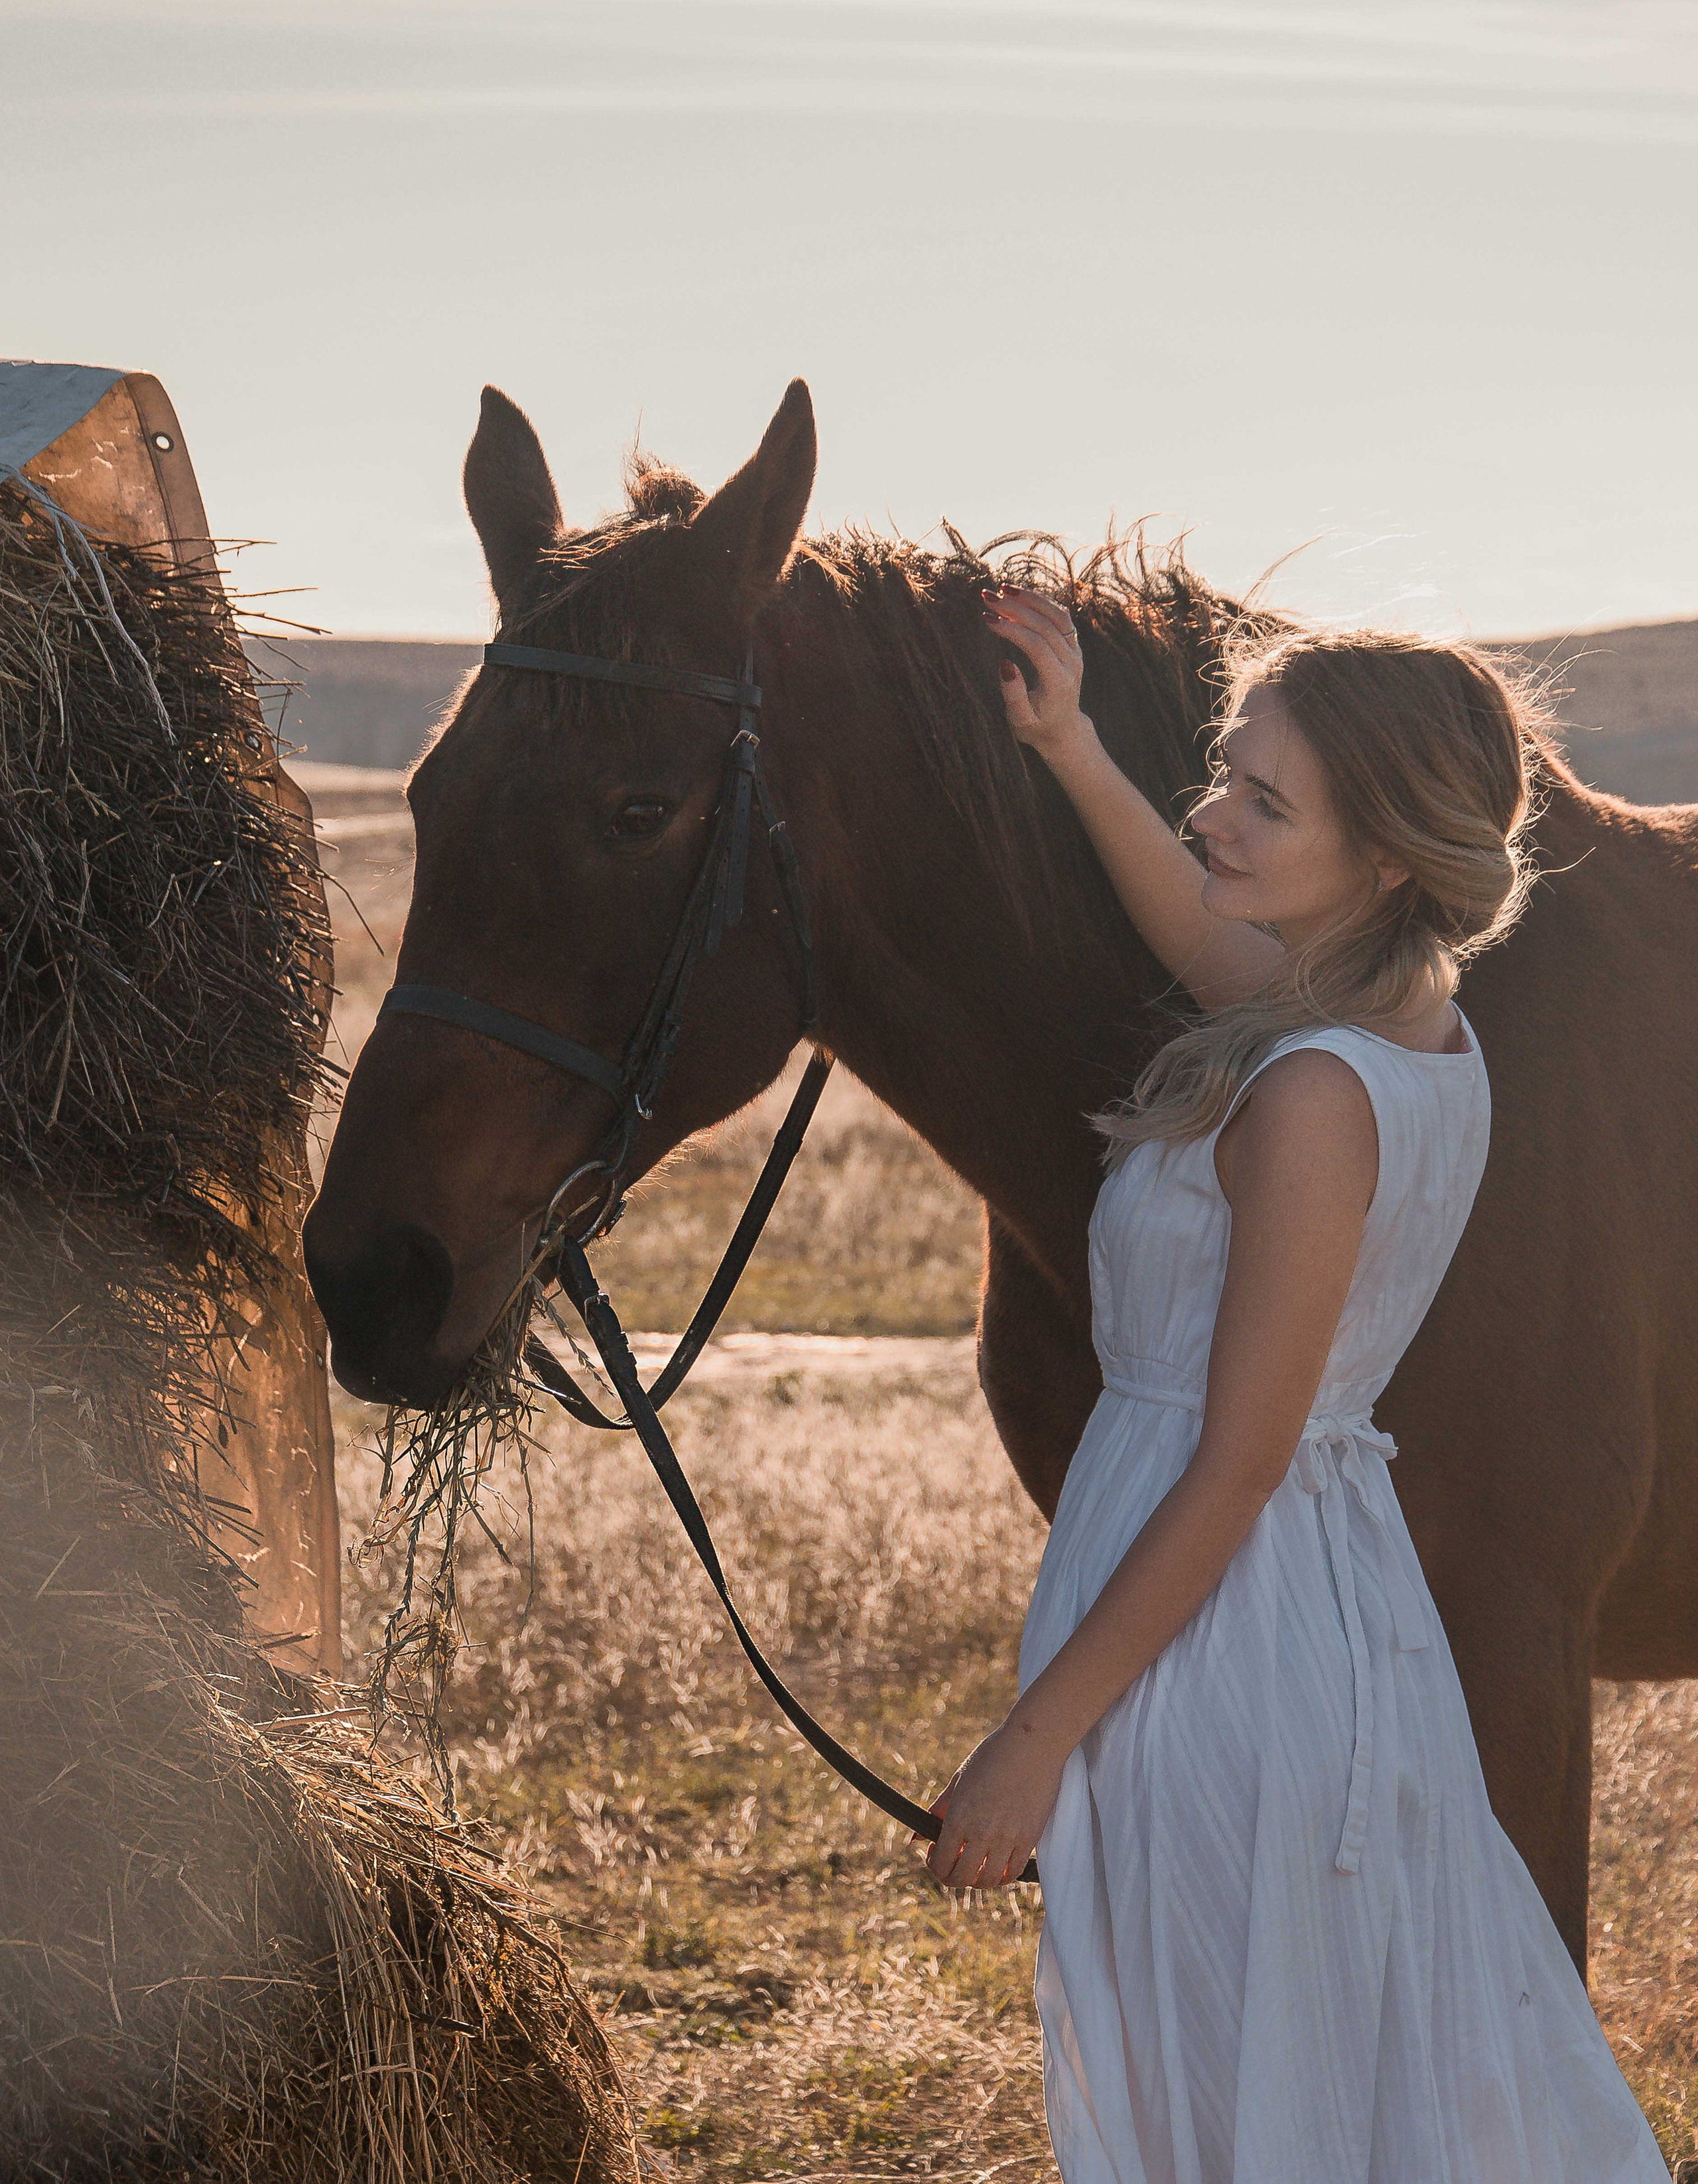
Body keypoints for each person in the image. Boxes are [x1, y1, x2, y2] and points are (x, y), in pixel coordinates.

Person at [923, 588, 1667, 2183]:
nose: (1214, 815)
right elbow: (1204, 940)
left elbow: (1237, 1466)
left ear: (1385, 854)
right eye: (1224, 775)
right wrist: (1066, 747)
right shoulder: (1391, 1018)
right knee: (1300, 2075)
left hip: (1222, 1656)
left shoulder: (1317, 1094)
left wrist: (1033, 1741)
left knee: (1230, 2099)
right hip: (1279, 1615)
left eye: (1263, 802)